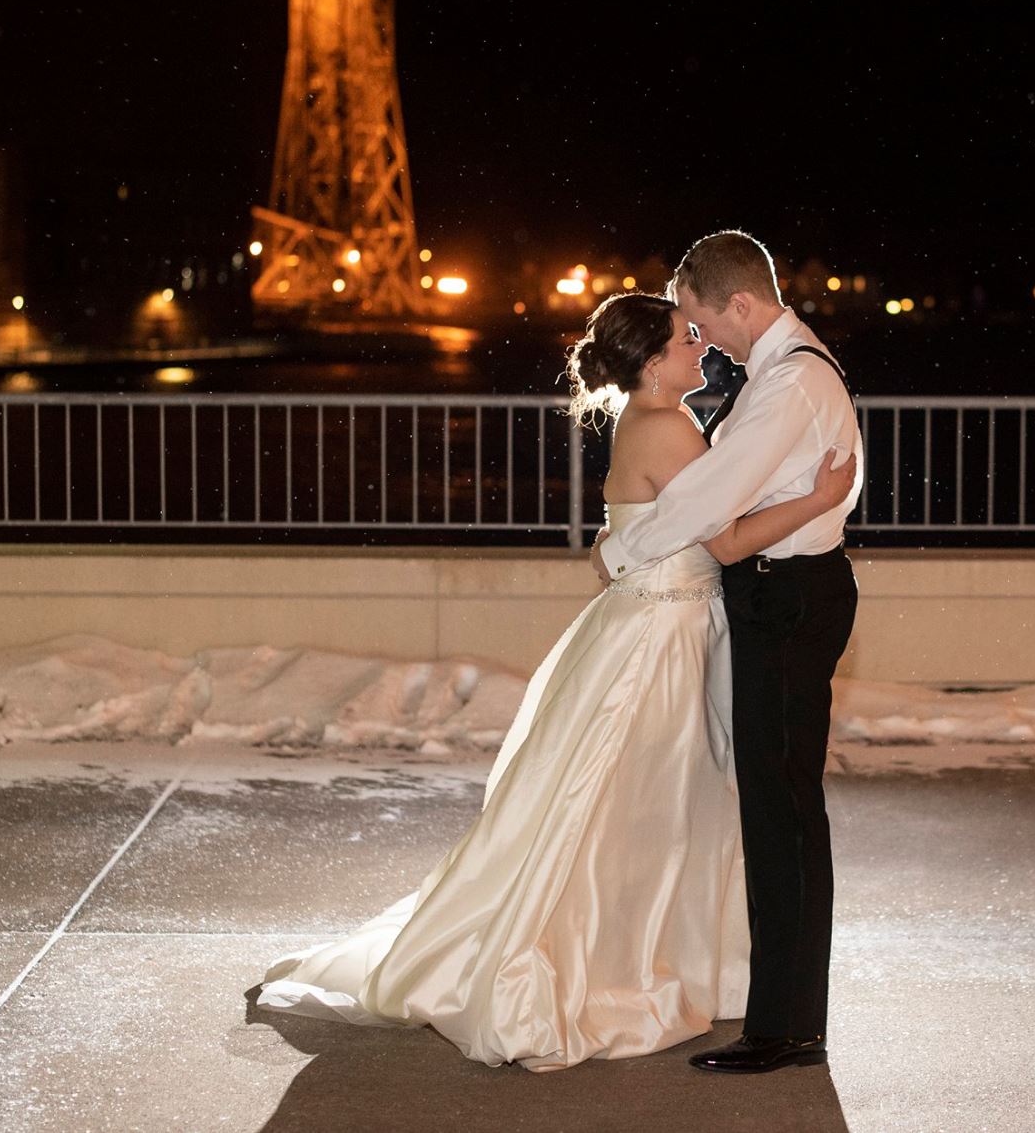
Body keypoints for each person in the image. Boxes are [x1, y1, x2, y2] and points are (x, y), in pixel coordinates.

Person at [254, 289, 856, 1073]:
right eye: (682, 340)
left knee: (633, 808)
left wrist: (617, 547)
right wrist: (819, 498)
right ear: (647, 363)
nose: (698, 349)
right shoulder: (671, 429)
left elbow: (651, 531)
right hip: (661, 641)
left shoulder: (653, 424)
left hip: (654, 623)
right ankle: (623, 962)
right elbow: (731, 540)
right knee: (644, 810)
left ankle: (640, 952)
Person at [590, 230, 862, 1075]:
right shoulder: (789, 372)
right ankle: (788, 1015)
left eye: (703, 319)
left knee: (779, 816)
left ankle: (782, 1027)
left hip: (786, 599)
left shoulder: (789, 384)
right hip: (784, 595)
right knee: (781, 812)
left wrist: (618, 552)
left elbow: (712, 499)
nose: (704, 337)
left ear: (738, 303)